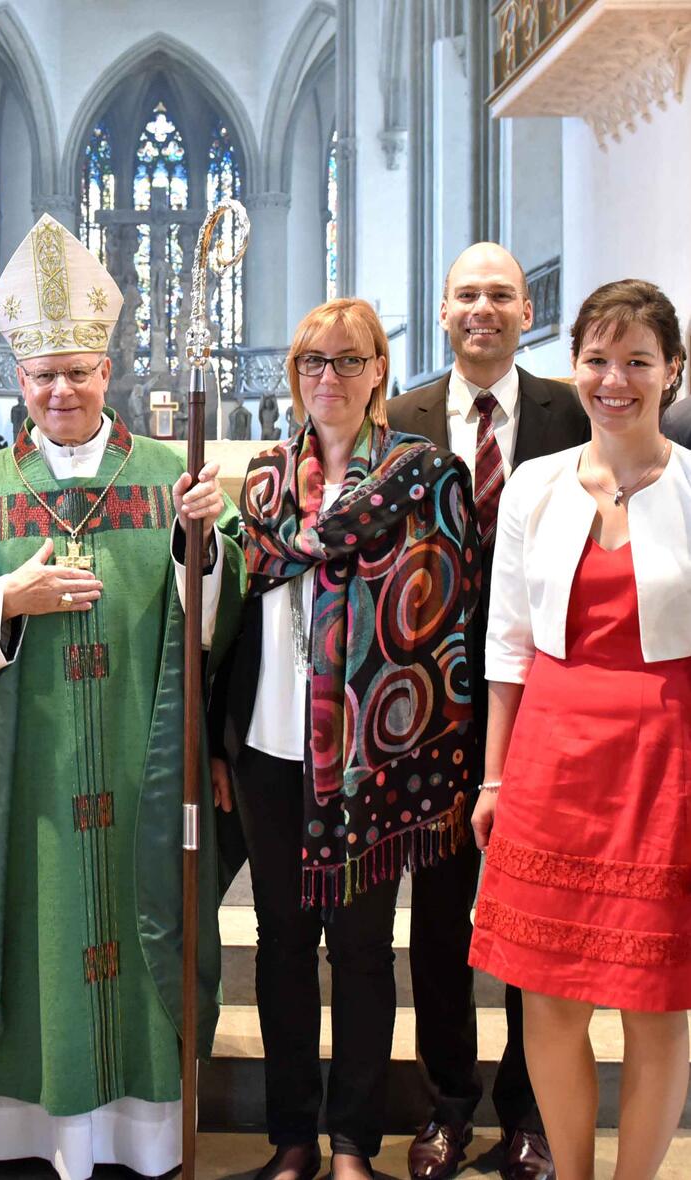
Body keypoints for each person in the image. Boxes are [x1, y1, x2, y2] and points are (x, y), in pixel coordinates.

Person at [0, 213, 244, 1180]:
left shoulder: (167, 477)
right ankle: (15, 1127)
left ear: (108, 373)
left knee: (146, 930)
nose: (61, 390)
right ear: (19, 382)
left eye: (79, 371)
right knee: (28, 931)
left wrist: (199, 543)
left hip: (141, 765)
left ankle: (139, 1134)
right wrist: (2, 599)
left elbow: (211, 614)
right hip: (27, 778)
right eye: (42, 375)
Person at [211, 298, 480, 1180]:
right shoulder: (258, 484)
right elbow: (230, 619)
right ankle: (294, 1136)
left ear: (379, 375)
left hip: (375, 753)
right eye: (312, 363)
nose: (329, 378)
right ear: (294, 377)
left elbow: (445, 615)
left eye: (348, 361)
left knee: (363, 949)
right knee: (283, 943)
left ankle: (354, 1139)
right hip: (268, 745)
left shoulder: (423, 476)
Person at [470, 278, 691, 1180]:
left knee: (656, 1000)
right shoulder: (534, 485)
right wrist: (493, 779)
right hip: (552, 759)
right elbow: (508, 649)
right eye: (598, 359)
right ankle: (572, 1172)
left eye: (637, 360)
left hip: (667, 757)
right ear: (575, 367)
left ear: (671, 372)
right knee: (550, 1000)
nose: (615, 379)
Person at [387, 241, 589, 1180]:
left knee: (537, 923)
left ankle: (531, 1112)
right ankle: (446, 1106)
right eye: (466, 294)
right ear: (441, 309)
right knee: (437, 924)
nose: (483, 309)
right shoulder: (400, 419)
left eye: (500, 295)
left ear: (524, 312)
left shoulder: (571, 411)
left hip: (543, 706)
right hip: (426, 715)